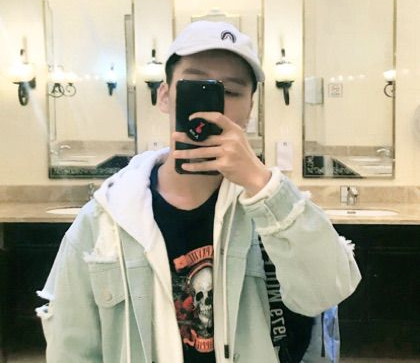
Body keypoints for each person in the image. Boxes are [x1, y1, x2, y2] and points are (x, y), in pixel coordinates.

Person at [36, 21, 361, 363]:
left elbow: (327, 291)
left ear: (251, 108)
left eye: (231, 92)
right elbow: (71, 349)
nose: (213, 105)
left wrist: (260, 182)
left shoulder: (273, 209)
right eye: (195, 86)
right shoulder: (106, 220)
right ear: (165, 96)